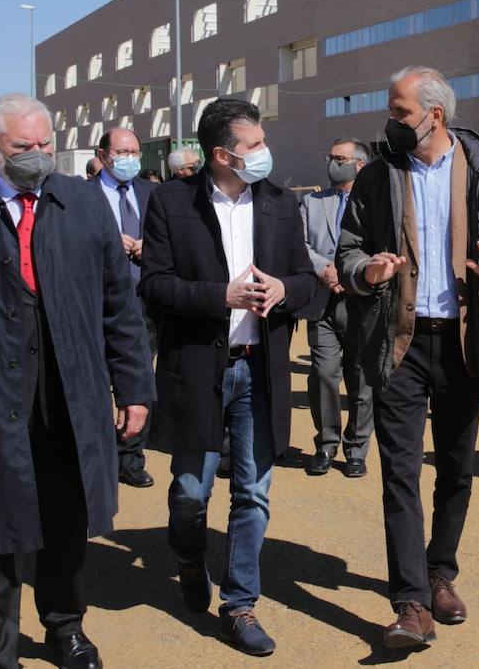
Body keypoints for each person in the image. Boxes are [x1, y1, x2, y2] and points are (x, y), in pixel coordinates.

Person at [0, 92, 155, 669]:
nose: (38, 155)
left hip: (69, 394)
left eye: (46, 144)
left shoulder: (86, 205)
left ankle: (65, 625)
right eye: (22, 147)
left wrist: (134, 385)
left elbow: (120, 306)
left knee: (66, 519)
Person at [337, 66, 479, 649]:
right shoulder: (377, 176)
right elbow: (348, 247)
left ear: (435, 116)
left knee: (455, 470)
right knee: (400, 472)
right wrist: (366, 271)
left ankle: (440, 572)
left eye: (399, 112)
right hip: (398, 342)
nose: (390, 122)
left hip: (462, 344)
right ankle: (410, 603)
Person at [139, 98, 317, 657]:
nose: (265, 153)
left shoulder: (281, 204)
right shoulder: (171, 203)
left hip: (259, 368)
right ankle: (190, 557)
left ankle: (240, 604)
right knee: (191, 492)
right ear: (222, 154)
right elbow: (155, 286)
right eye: (254, 145)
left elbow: (308, 280)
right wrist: (222, 296)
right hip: (197, 369)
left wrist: (286, 290)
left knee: (254, 493)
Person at [298, 138, 373, 478]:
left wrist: (352, 274)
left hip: (361, 302)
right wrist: (324, 270)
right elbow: (298, 244)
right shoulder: (312, 202)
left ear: (359, 164)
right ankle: (326, 444)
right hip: (322, 303)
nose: (332, 163)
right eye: (331, 157)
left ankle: (356, 448)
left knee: (361, 378)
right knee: (324, 374)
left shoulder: (376, 203)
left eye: (340, 158)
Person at [90, 127, 159, 489]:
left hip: (144, 300)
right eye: (122, 152)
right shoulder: (81, 196)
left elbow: (173, 241)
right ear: (102, 155)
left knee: (139, 377)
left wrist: (153, 248)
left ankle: (131, 457)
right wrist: (104, 242)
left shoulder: (153, 194)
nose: (130, 159)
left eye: (135, 152)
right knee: (97, 378)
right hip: (98, 300)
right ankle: (99, 454)